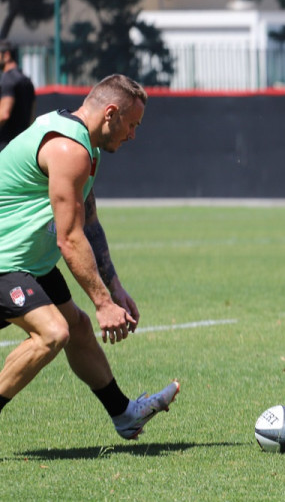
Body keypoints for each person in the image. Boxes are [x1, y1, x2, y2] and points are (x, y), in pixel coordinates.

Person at [0, 74, 179, 439]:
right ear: (111, 113)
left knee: (77, 329)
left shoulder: (85, 146)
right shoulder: (70, 150)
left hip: (27, 262)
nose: (132, 135)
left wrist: (114, 288)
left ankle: (124, 414)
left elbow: (90, 222)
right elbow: (69, 238)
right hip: (6, 262)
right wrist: (101, 304)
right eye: (132, 125)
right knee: (53, 333)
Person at [0, 40, 36, 150]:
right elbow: (32, 117)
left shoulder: (7, 79)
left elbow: (4, 114)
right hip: (22, 144)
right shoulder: (26, 80)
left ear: (6, 55)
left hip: (6, 146)